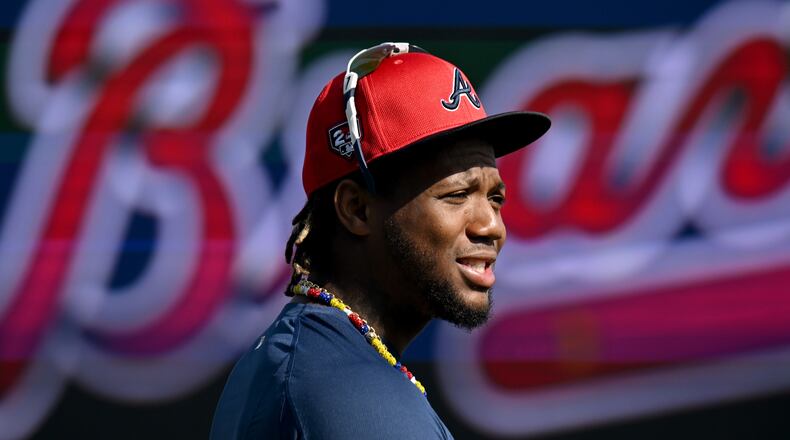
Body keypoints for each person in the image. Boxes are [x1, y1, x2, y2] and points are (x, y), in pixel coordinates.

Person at [210, 42, 550, 439]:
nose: (491, 225)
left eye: (496, 198)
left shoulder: (319, 358)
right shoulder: (342, 389)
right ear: (356, 208)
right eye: (457, 195)